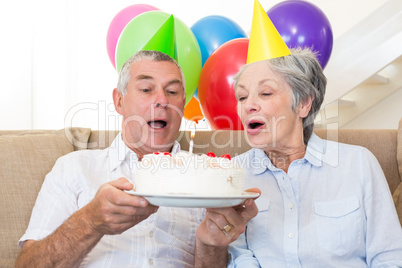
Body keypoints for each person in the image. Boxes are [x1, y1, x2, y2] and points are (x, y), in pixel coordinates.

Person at [16, 50, 259, 267]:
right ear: (119, 100)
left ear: (183, 104)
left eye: (172, 92)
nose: (162, 100)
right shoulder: (74, 168)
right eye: (146, 89)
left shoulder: (208, 179)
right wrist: (90, 222)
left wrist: (210, 246)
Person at [227, 47, 402, 267]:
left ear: (303, 104)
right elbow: (239, 256)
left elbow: (390, 258)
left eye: (266, 93)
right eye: (242, 96)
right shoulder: (232, 175)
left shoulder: (358, 165)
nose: (248, 106)